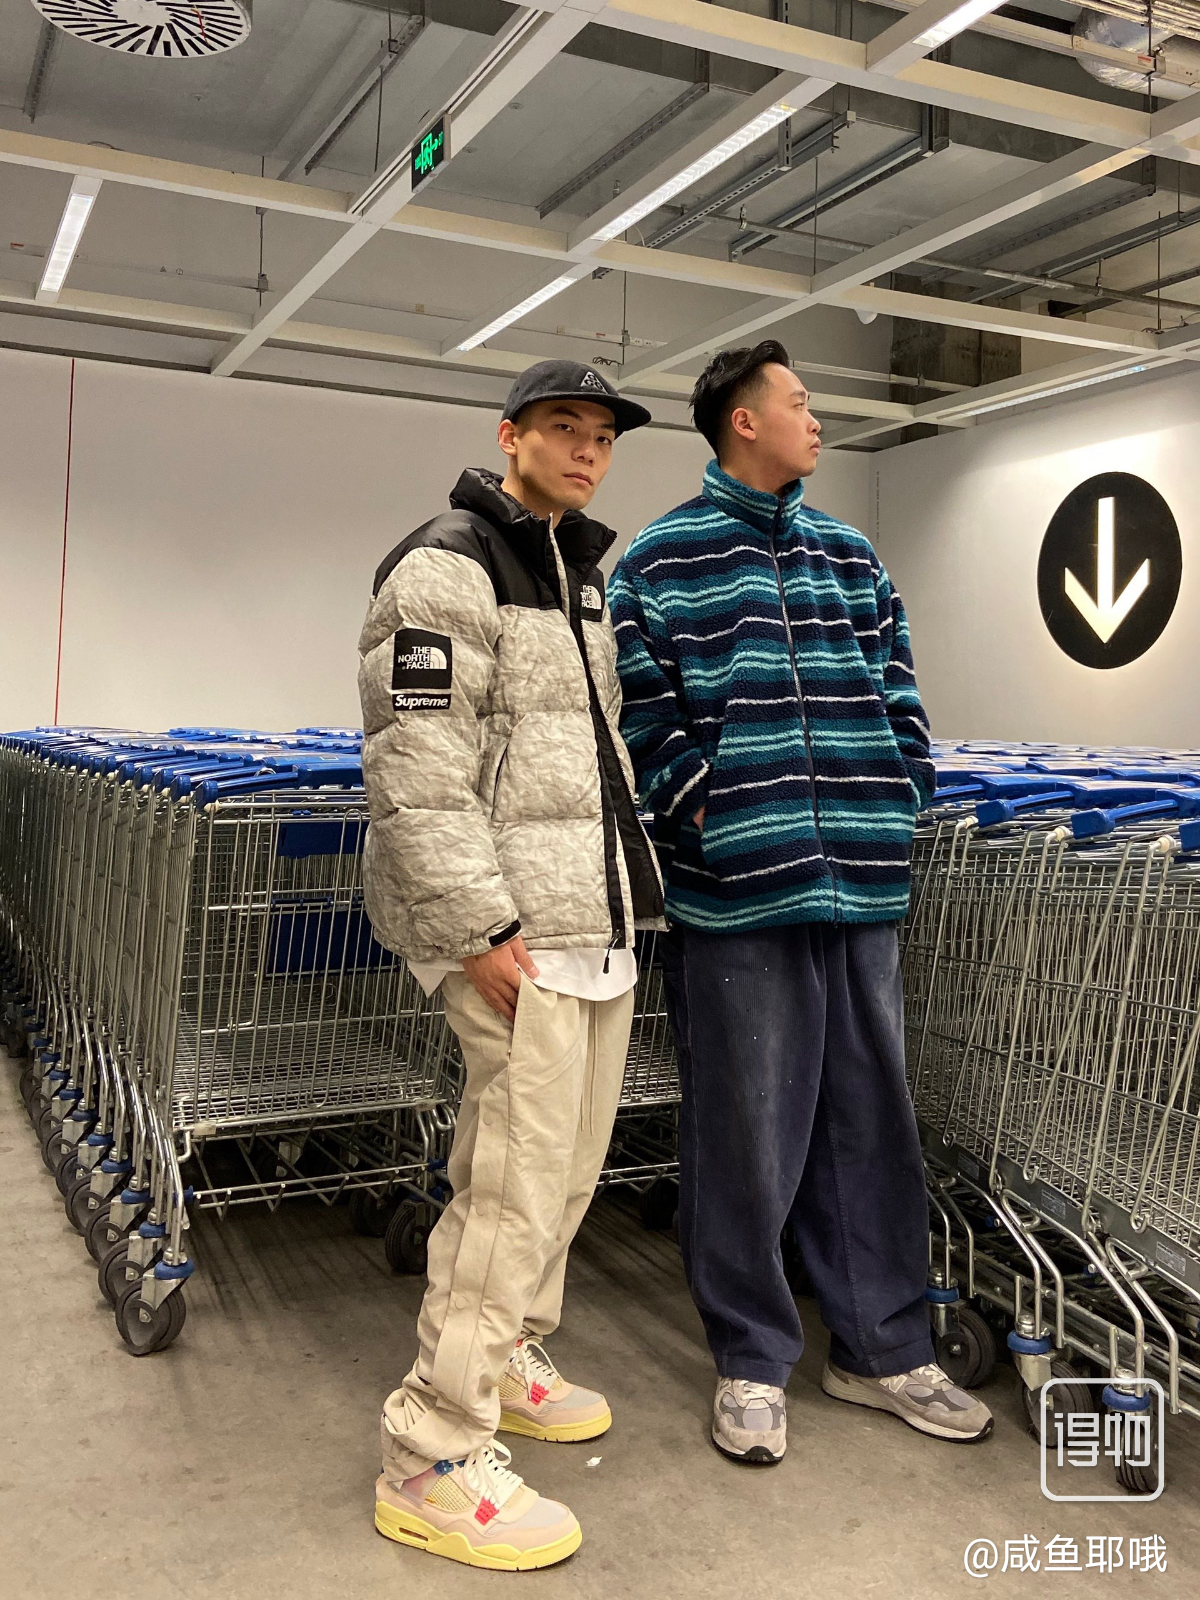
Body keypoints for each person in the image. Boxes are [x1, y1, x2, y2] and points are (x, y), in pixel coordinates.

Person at [608, 340, 993, 1466]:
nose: (816, 419)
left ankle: (881, 1349)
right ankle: (751, 1358)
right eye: (799, 401)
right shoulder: (659, 561)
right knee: (747, 1134)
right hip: (738, 893)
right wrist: (713, 813)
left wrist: (900, 788)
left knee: (873, 1123)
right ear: (743, 420)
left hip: (862, 883)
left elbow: (900, 688)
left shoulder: (850, 556)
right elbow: (641, 719)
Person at [357, 359, 664, 1569]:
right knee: (510, 1187)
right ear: (510, 436)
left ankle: (512, 1351)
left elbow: (588, 760)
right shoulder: (447, 563)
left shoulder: (583, 576)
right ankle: (430, 1451)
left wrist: (626, 905)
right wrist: (479, 926)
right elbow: (417, 761)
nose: (586, 449)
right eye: (563, 427)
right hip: (510, 935)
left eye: (603, 436)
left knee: (569, 1167)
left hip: (592, 925)